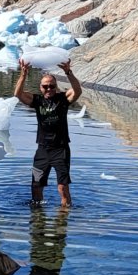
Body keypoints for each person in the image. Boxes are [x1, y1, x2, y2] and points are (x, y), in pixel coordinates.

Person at [14, 58, 82, 207]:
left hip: (61, 149)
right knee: (36, 186)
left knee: (62, 187)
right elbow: (18, 94)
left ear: (56, 87)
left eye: (52, 86)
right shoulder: (37, 101)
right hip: (42, 150)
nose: (49, 89)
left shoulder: (62, 99)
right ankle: (38, 218)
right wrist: (23, 75)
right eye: (46, 87)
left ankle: (62, 219)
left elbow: (77, 90)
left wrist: (68, 72)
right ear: (40, 87)